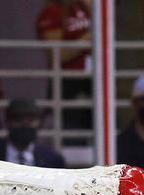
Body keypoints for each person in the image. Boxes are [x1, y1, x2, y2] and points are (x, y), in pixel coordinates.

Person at [36, 0, 92, 141]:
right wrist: (87, 40)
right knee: (70, 131)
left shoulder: (87, 9)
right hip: (66, 79)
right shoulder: (52, 12)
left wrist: (89, 8)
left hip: (93, 78)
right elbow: (58, 54)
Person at [0, 99, 65, 168]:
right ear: (7, 123)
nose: (24, 125)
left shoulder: (52, 159)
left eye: (30, 120)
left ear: (40, 124)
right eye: (18, 120)